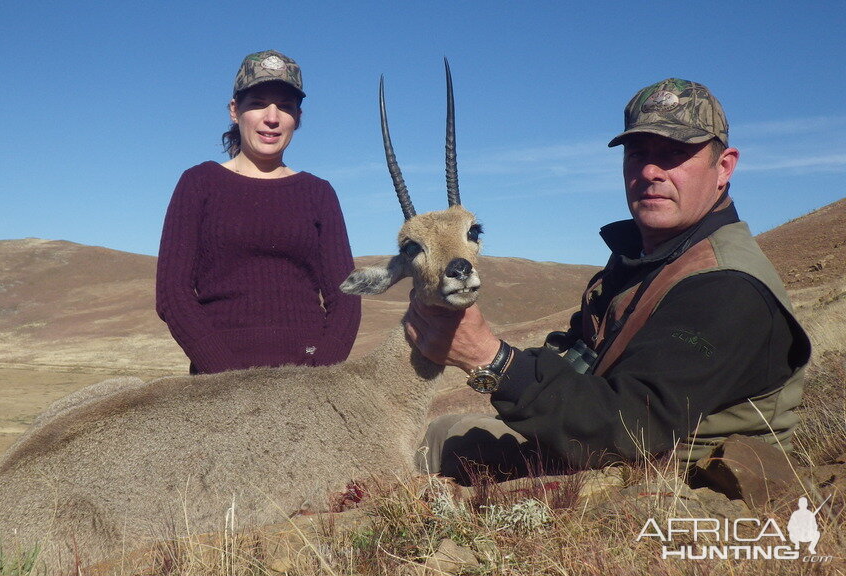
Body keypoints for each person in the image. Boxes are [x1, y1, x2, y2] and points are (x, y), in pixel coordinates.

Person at [406, 78, 811, 481]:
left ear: (724, 167)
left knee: (443, 447)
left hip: (674, 485)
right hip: (609, 454)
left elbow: (630, 429)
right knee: (444, 432)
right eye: (638, 153)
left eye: (675, 153)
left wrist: (490, 359)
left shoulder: (727, 287)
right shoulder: (650, 259)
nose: (651, 170)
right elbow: (582, 366)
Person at [156, 50, 361, 374]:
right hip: (217, 387)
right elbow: (172, 294)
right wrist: (226, 377)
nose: (272, 117)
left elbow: (346, 297)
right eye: (258, 103)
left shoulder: (318, 192)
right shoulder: (198, 183)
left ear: (298, 117)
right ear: (235, 110)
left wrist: (319, 378)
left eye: (285, 106)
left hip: (306, 387)